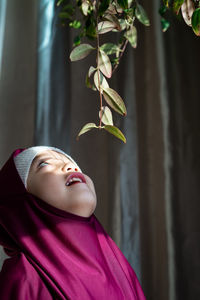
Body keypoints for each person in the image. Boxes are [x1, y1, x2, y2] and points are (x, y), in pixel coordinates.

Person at [0, 146, 146, 299]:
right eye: (44, 164)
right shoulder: (23, 277)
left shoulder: (119, 265)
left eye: (73, 164)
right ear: (20, 201)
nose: (71, 166)